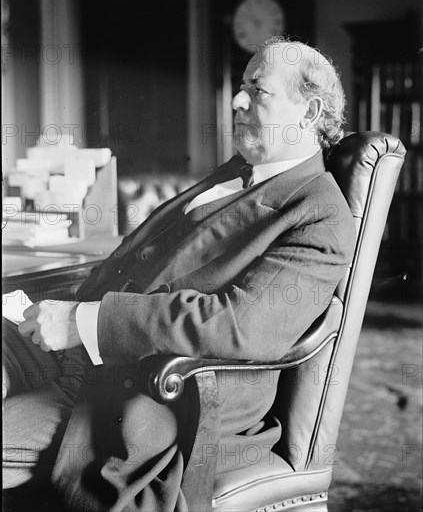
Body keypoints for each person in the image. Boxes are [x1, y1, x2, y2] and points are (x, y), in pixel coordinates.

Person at [3, 37, 356, 511]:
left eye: (258, 89)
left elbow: (238, 325)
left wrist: (83, 322)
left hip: (140, 395)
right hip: (76, 354)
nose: (237, 99)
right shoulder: (236, 172)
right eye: (241, 85)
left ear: (309, 112)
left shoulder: (320, 212)